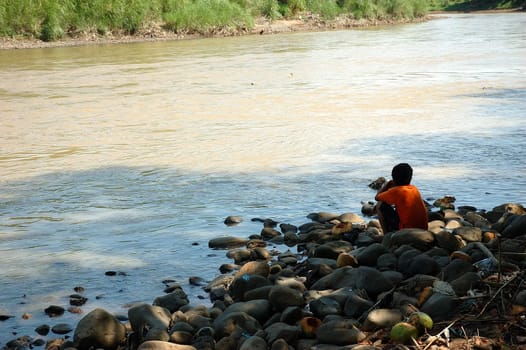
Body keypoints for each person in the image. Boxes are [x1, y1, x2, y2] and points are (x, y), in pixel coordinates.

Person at [375, 163, 428, 233]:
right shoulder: (414, 189)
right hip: (423, 228)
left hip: (406, 230)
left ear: (393, 178)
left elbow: (377, 197)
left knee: (380, 205)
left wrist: (387, 184)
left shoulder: (397, 191)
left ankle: (386, 235)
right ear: (410, 177)